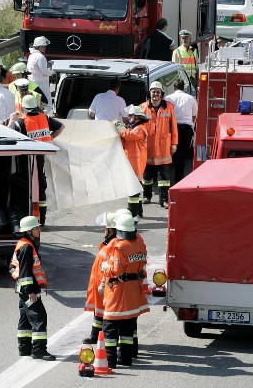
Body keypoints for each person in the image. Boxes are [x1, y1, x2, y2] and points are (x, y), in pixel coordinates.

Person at [100, 214, 149, 369]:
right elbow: (142, 267)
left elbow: (115, 270)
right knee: (128, 326)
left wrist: (104, 267)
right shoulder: (140, 243)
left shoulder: (119, 247)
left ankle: (110, 360)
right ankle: (126, 359)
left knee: (110, 326)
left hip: (118, 292)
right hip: (133, 291)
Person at [9, 95, 64, 225]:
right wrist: (50, 138)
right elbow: (60, 127)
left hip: (25, 160)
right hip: (40, 157)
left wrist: (11, 121)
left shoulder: (20, 122)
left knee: (26, 187)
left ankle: (28, 218)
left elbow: (9, 135)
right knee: (40, 188)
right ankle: (42, 219)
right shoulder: (44, 117)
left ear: (24, 108)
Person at [10, 216, 56, 361]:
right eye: (36, 228)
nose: (39, 230)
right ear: (29, 231)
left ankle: (24, 348)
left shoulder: (25, 244)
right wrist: (31, 291)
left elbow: (12, 268)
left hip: (23, 289)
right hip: (28, 290)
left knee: (25, 317)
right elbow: (25, 272)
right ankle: (39, 350)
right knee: (39, 317)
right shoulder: (27, 247)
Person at [140, 81, 178, 208]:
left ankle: (164, 200)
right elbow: (137, 127)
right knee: (147, 176)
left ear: (161, 93)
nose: (155, 94)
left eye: (157, 91)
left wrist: (174, 144)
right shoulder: (143, 108)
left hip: (163, 148)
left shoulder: (169, 107)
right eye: (153, 91)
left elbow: (174, 127)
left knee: (164, 178)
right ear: (149, 93)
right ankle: (146, 196)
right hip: (147, 148)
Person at [83, 212, 118, 344]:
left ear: (110, 230)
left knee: (105, 312)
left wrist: (103, 284)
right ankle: (95, 335)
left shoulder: (113, 245)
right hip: (99, 283)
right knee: (98, 312)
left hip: (105, 284)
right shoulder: (107, 243)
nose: (103, 230)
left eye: (105, 228)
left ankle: (103, 337)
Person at [115, 105, 150, 218]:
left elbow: (129, 136)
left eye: (130, 115)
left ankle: (132, 212)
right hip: (134, 162)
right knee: (135, 188)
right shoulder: (134, 127)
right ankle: (138, 212)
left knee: (132, 190)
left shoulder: (140, 129)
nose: (128, 117)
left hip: (136, 163)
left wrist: (119, 127)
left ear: (137, 117)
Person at [164, 79, 197, 185]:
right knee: (182, 155)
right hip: (186, 128)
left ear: (174, 87)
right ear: (184, 87)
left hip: (172, 128)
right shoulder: (190, 98)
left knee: (170, 153)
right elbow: (194, 115)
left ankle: (165, 178)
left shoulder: (168, 98)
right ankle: (179, 179)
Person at [26, 36, 54, 113]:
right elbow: (45, 71)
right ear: (38, 47)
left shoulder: (31, 55)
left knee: (36, 102)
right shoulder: (40, 57)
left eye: (45, 46)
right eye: (43, 46)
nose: (44, 48)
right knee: (47, 104)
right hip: (41, 83)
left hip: (33, 83)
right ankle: (44, 119)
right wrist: (52, 71)